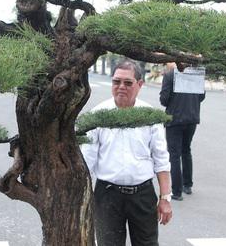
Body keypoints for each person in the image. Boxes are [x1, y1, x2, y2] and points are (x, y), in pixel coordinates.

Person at [82, 60, 172, 246]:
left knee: (147, 243)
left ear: (140, 84)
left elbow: (161, 159)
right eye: (116, 82)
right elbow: (87, 163)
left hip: (143, 195)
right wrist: (83, 199)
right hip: (107, 195)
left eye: (128, 82)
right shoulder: (98, 115)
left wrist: (165, 198)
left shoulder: (150, 117)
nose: (121, 87)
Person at [159, 62, 206, 200]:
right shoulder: (196, 74)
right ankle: (188, 185)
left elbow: (164, 99)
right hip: (192, 118)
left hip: (174, 119)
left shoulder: (170, 75)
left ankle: (177, 191)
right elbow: (201, 96)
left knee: (174, 155)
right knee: (186, 150)